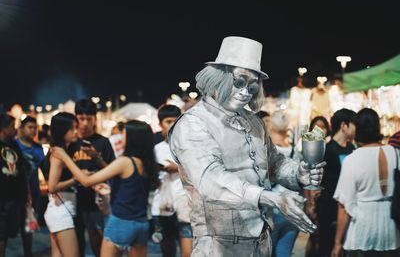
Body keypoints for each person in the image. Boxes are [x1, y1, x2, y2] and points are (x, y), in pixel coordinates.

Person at [169, 36, 325, 256]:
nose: (245, 92)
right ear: (218, 77)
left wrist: (298, 175)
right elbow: (210, 181)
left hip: (262, 240)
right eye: (240, 82)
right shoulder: (194, 123)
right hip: (218, 245)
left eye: (252, 86)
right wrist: (271, 198)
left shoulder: (253, 121)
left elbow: (274, 163)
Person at [51, 120, 160, 257]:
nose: (121, 137)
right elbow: (133, 188)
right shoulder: (148, 163)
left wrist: (65, 158)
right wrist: (98, 160)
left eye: (124, 134)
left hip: (121, 223)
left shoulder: (125, 162)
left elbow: (86, 181)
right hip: (142, 224)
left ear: (132, 138)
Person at [332, 108, 400, 257]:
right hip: (392, 231)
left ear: (358, 129)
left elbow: (344, 205)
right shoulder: (396, 153)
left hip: (362, 231)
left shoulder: (352, 160)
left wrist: (337, 243)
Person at [72, 98, 116, 257]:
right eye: (81, 118)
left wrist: (97, 158)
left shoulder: (103, 142)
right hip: (72, 199)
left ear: (95, 119)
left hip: (96, 201)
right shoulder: (70, 142)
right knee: (76, 241)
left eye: (88, 119)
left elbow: (113, 170)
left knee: (96, 237)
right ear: (75, 118)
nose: (84, 123)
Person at [151, 104, 193, 257]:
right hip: (162, 206)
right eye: (168, 122)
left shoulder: (190, 147)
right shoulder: (155, 149)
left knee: (188, 253)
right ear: (160, 124)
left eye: (176, 121)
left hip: (187, 207)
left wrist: (178, 168)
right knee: (167, 252)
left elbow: (201, 172)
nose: (173, 126)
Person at [313, 109, 356, 257]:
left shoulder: (352, 149)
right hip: (328, 205)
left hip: (346, 205)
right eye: (353, 124)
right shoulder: (327, 149)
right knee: (326, 246)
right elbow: (315, 177)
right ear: (344, 126)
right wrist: (312, 203)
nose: (356, 128)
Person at [264, 110, 302, 257]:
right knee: (284, 252)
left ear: (271, 127)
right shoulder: (295, 152)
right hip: (293, 209)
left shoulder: (267, 151)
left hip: (272, 209)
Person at [43, 112, 80, 257]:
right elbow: (52, 187)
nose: (76, 131)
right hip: (61, 212)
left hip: (57, 209)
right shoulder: (59, 154)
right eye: (73, 128)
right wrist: (75, 180)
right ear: (62, 130)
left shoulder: (58, 150)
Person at [15, 116, 45, 257]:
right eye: (30, 127)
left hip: (34, 195)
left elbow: (45, 170)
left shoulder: (38, 148)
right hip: (15, 195)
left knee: (28, 227)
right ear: (21, 128)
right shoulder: (13, 146)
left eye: (35, 128)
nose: (33, 131)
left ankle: (28, 253)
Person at [0, 113, 28, 257]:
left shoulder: (14, 144)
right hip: (1, 199)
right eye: (12, 127)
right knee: (1, 235)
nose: (15, 129)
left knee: (12, 231)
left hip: (15, 198)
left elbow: (22, 169)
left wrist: (26, 195)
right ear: (3, 128)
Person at [304, 115, 331, 257]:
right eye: (316, 127)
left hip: (327, 199)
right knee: (315, 237)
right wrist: (309, 203)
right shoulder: (310, 149)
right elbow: (307, 178)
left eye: (323, 127)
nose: (320, 130)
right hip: (315, 199)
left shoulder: (330, 147)